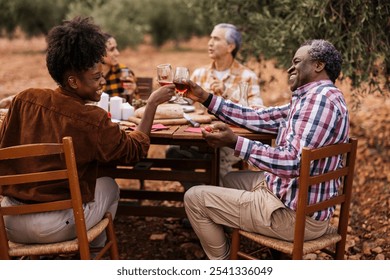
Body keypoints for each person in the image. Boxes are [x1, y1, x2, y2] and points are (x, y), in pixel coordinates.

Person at [0, 16, 175, 247]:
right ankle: (93, 253)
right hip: (54, 226)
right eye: (96, 77)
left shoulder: (24, 99)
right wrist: (151, 104)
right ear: (73, 81)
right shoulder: (92, 119)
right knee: (109, 185)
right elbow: (134, 151)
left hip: (9, 223)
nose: (102, 81)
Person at [182, 39, 349, 259]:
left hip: (294, 216)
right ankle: (271, 253)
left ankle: (222, 265)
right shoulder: (312, 98)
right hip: (291, 195)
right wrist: (206, 98)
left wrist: (235, 142)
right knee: (231, 179)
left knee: (194, 198)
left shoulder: (319, 101)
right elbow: (259, 117)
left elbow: (292, 162)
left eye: (297, 61)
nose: (290, 68)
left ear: (318, 65)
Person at [166, 23, 263, 188]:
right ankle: (198, 196)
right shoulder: (199, 73)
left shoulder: (247, 76)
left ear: (230, 46)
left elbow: (257, 111)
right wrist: (171, 94)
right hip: (200, 137)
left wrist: (227, 93)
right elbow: (183, 104)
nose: (210, 43)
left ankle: (214, 205)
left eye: (216, 39)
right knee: (173, 153)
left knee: (218, 157)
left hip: (230, 141)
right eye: (210, 38)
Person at [102, 33, 137, 104]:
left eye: (116, 48)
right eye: (112, 49)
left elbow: (135, 105)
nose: (117, 53)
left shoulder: (124, 72)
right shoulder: (89, 75)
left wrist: (131, 93)